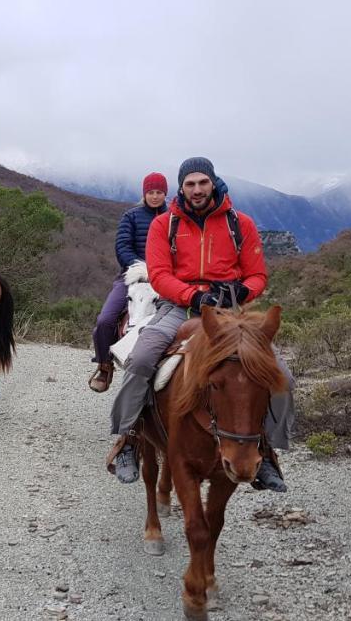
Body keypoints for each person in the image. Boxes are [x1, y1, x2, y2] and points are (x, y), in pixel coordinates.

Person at [107, 156, 294, 492]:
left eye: (202, 183)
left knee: (280, 374)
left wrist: (242, 289)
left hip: (229, 313)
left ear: (212, 183)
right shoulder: (164, 225)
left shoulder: (241, 224)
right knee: (141, 359)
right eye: (190, 184)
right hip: (178, 307)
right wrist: (191, 296)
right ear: (181, 187)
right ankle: (129, 439)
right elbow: (160, 275)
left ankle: (266, 452)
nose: (196, 190)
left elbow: (257, 274)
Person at [89, 172, 169, 392]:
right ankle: (105, 366)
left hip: (166, 277)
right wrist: (141, 268)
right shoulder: (131, 217)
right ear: (144, 193)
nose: (154, 196)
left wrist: (163, 271)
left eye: (159, 192)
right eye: (151, 192)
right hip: (132, 275)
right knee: (105, 320)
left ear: (165, 193)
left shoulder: (174, 217)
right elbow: (122, 247)